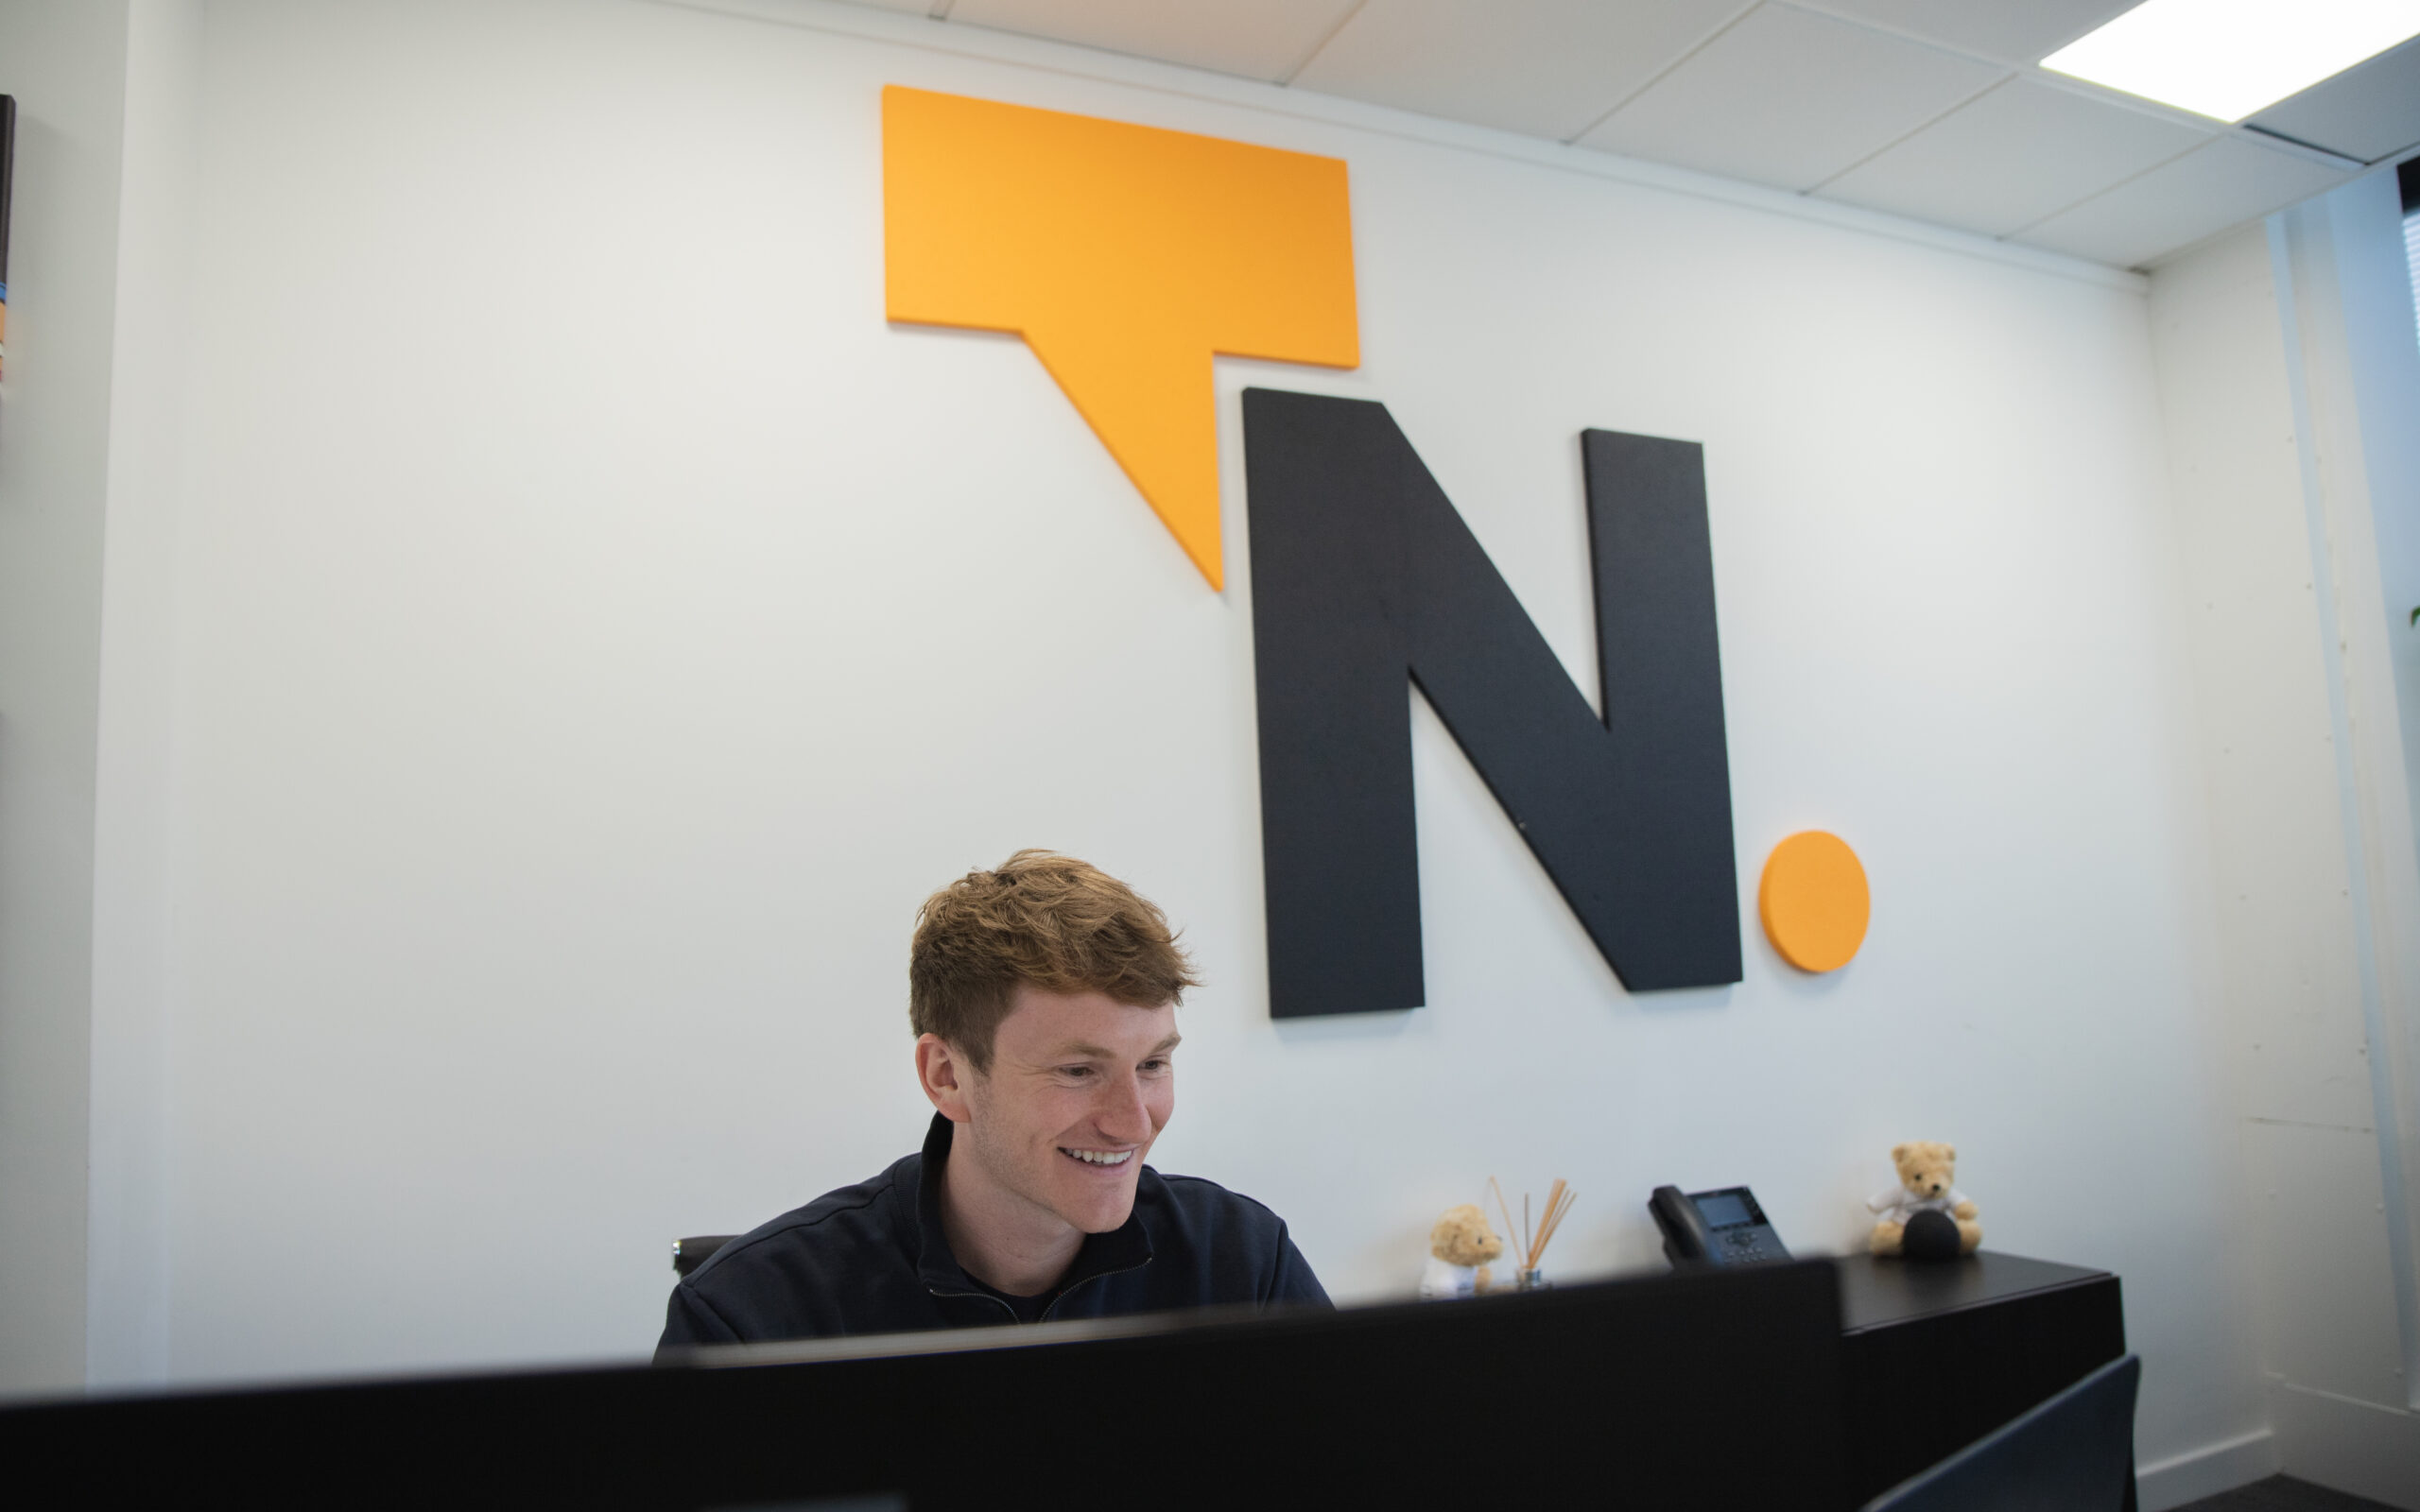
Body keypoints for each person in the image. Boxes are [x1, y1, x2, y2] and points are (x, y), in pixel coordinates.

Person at [657, 850, 1328, 1348]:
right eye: (1078, 1071)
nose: (1132, 1122)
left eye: (1152, 1064)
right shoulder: (748, 1320)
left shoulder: (1243, 1266)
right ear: (946, 1076)